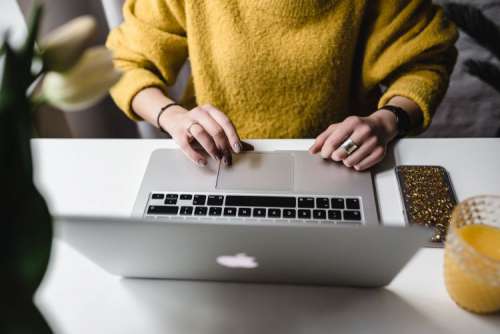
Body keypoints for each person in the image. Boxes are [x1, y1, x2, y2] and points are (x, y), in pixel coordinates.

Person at [107, 0, 457, 170]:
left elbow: (426, 60)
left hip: (340, 164)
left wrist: (386, 121)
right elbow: (124, 63)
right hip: (215, 163)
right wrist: (171, 116)